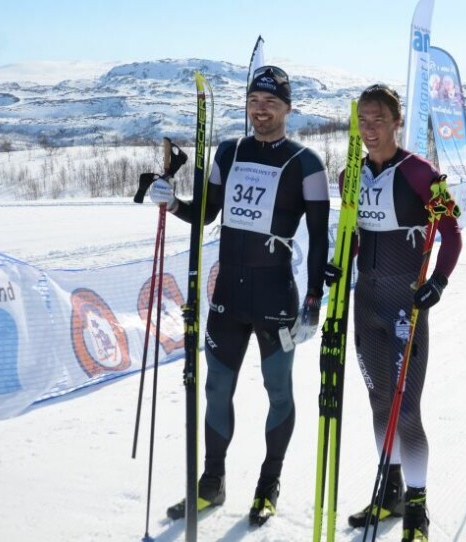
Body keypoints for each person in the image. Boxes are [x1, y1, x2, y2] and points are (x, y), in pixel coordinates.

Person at [149, 65, 330, 526]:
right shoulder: (228, 153)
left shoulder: (307, 162)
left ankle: (267, 485)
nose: (261, 109)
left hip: (276, 296)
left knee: (279, 392)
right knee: (215, 388)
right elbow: (206, 214)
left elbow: (319, 236)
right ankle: (211, 483)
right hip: (229, 293)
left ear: (287, 109)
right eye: (254, 101)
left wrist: (314, 298)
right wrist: (172, 201)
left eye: (271, 102)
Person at [330, 83, 462, 542]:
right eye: (362, 120)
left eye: (378, 119)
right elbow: (350, 233)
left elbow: (453, 233)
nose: (369, 129)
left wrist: (438, 282)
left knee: (406, 412)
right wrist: (337, 262)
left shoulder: (422, 173)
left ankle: (418, 510)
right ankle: (389, 493)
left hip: (405, 304)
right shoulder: (351, 174)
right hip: (365, 305)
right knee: (378, 402)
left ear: (396, 121)